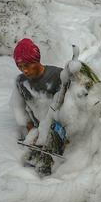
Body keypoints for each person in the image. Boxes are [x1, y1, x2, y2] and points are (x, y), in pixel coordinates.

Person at [10, 38, 67, 176]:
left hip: (58, 129)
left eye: (27, 65)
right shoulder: (21, 82)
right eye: (20, 67)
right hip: (38, 131)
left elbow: (68, 109)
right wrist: (31, 129)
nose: (24, 71)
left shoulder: (58, 76)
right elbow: (20, 108)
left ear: (36, 60)